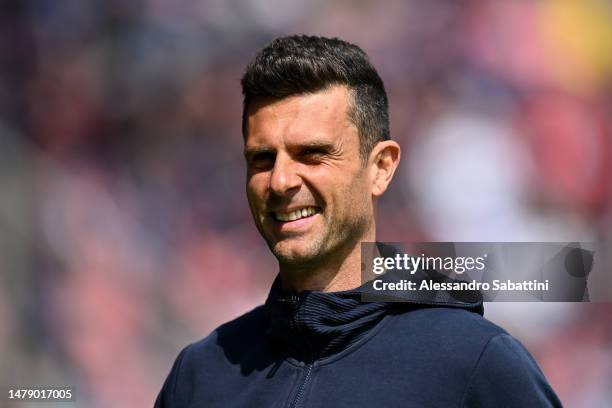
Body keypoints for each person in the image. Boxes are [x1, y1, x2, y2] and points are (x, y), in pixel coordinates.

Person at [155, 35, 562, 407]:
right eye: (262, 159)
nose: (280, 181)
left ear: (380, 168)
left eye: (312, 154)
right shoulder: (200, 375)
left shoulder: (473, 361)